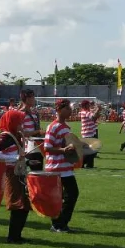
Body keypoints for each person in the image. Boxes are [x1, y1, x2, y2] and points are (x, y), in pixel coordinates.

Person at [0, 109, 32, 243]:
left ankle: (17, 235)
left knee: (24, 205)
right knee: (17, 205)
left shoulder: (15, 135)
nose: (22, 125)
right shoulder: (5, 136)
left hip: (19, 172)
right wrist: (16, 157)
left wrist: (28, 161)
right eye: (19, 122)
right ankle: (13, 237)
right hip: (11, 174)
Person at [44, 99, 80, 233]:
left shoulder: (66, 127)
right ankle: (59, 224)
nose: (70, 111)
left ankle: (60, 223)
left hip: (66, 167)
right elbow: (47, 147)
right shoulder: (52, 126)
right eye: (68, 109)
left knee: (70, 195)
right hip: (56, 167)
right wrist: (64, 150)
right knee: (67, 195)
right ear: (59, 109)